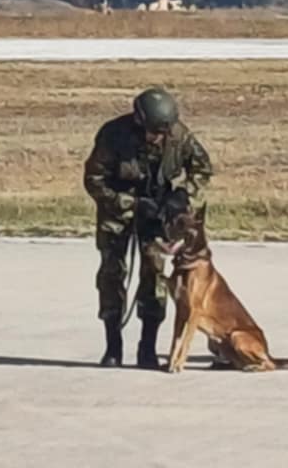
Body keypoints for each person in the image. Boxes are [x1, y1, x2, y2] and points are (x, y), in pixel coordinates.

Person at [83, 86, 214, 367]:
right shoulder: (113, 135)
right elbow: (94, 180)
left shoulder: (179, 135)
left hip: (158, 213)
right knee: (112, 273)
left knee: (154, 275)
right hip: (117, 213)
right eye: (153, 131)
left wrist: (182, 197)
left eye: (162, 132)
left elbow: (202, 169)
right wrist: (130, 203)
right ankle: (113, 346)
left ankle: (148, 347)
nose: (158, 137)